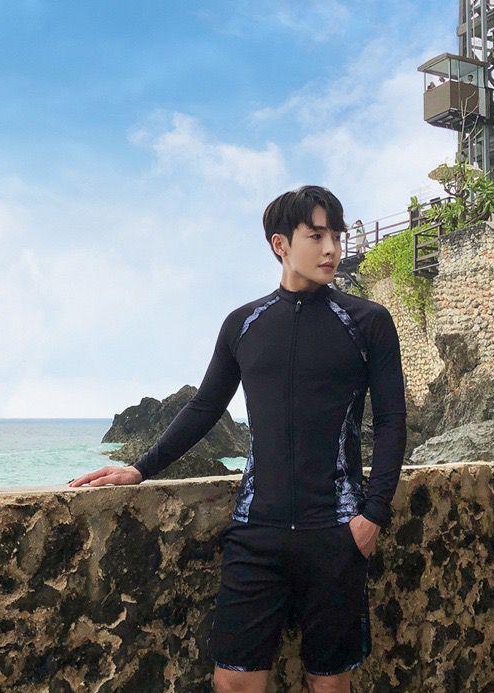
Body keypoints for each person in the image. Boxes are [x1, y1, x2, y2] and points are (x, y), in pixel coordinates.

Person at [69, 185, 407, 693]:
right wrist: (139, 469)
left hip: (336, 534)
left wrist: (373, 516)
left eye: (336, 236)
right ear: (280, 244)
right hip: (255, 534)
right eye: (316, 236)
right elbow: (205, 407)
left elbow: (391, 420)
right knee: (233, 683)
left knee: (329, 686)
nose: (332, 249)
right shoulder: (244, 324)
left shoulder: (367, 322)